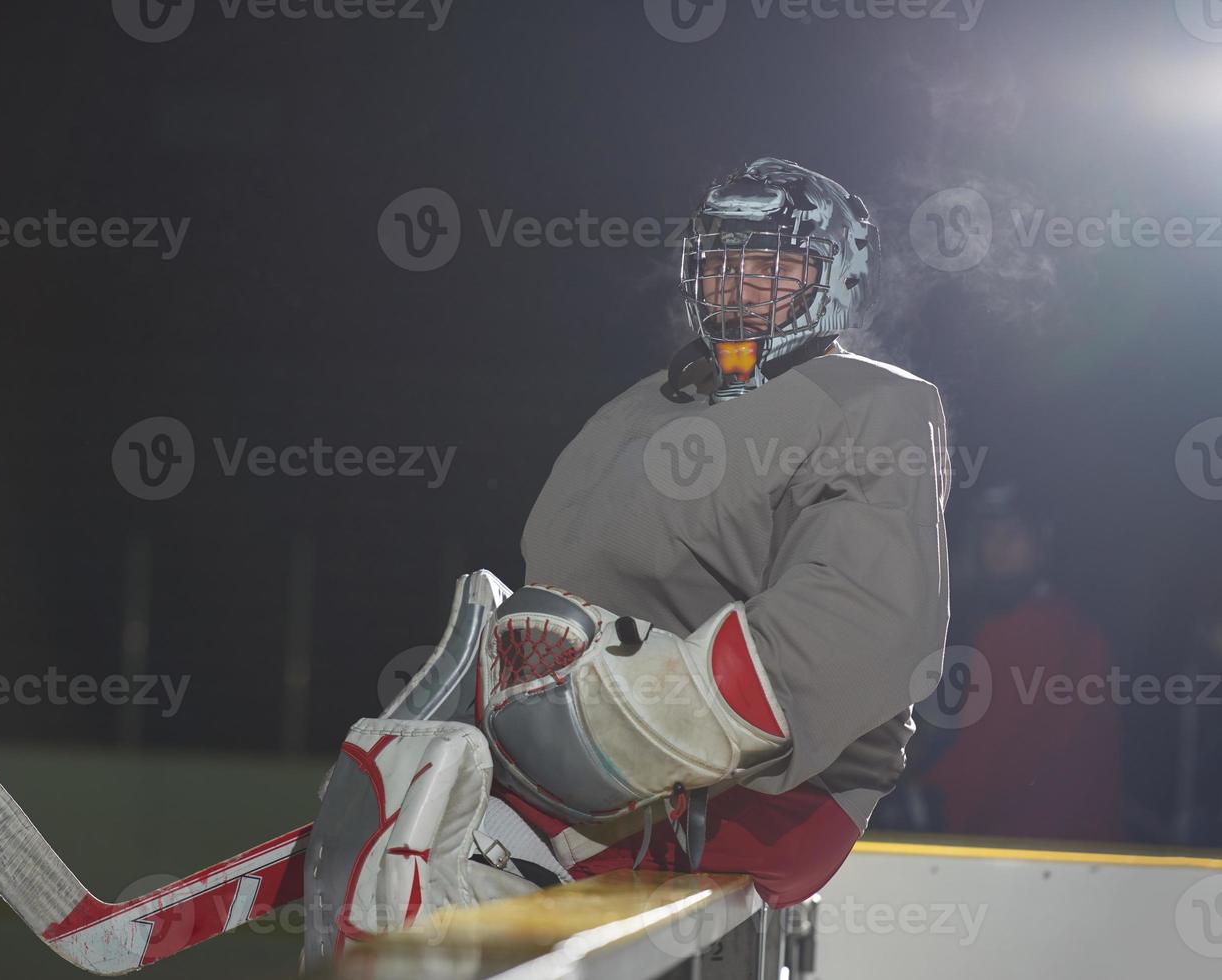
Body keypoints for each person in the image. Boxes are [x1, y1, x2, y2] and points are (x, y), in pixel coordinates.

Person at [304, 159, 951, 961]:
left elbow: (863, 617)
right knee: (402, 905)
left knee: (438, 917)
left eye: (772, 265)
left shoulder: (871, 399)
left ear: (833, 278)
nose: (739, 288)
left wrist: (636, 722)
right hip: (573, 772)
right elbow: (562, 577)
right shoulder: (641, 404)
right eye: (720, 263)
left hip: (745, 796)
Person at [921, 484, 1123, 841]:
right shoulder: (1073, 626)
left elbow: (984, 754)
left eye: (1012, 534)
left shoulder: (1028, 630)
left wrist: (922, 792)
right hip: (1076, 845)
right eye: (988, 535)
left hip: (1018, 844)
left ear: (1041, 542)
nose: (996, 548)